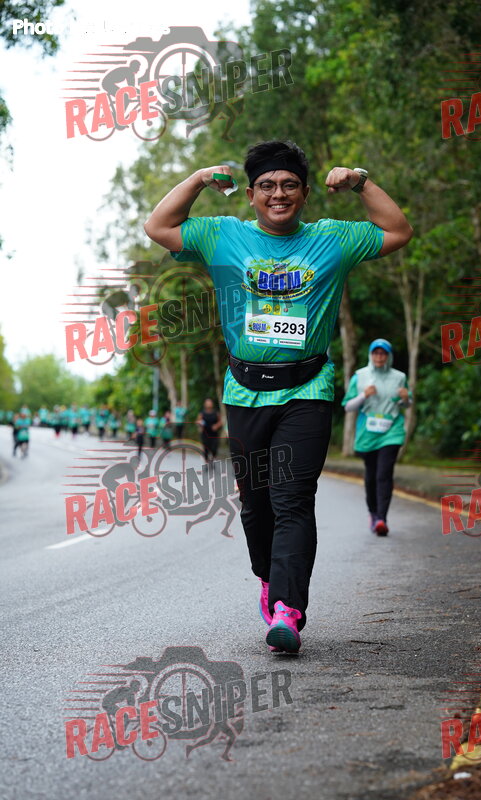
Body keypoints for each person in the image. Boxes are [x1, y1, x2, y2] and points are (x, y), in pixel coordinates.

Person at [144, 139, 412, 653]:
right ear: (250, 195)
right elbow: (158, 226)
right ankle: (270, 578)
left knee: (293, 498)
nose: (278, 194)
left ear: (305, 193)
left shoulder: (332, 238)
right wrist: (198, 179)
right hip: (244, 392)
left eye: (289, 185)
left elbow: (398, 231)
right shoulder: (221, 235)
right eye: (266, 185)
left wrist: (360, 182)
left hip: (307, 390)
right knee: (256, 505)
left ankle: (288, 609)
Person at [342, 339, 412, 536]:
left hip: (391, 432)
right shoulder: (360, 376)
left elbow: (407, 404)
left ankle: (382, 518)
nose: (379, 357)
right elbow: (347, 406)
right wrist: (364, 395)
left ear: (389, 356)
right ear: (370, 355)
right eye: (376, 353)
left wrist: (405, 398)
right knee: (371, 476)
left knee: (384, 474)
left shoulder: (399, 377)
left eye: (383, 353)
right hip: (368, 433)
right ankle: (373, 513)